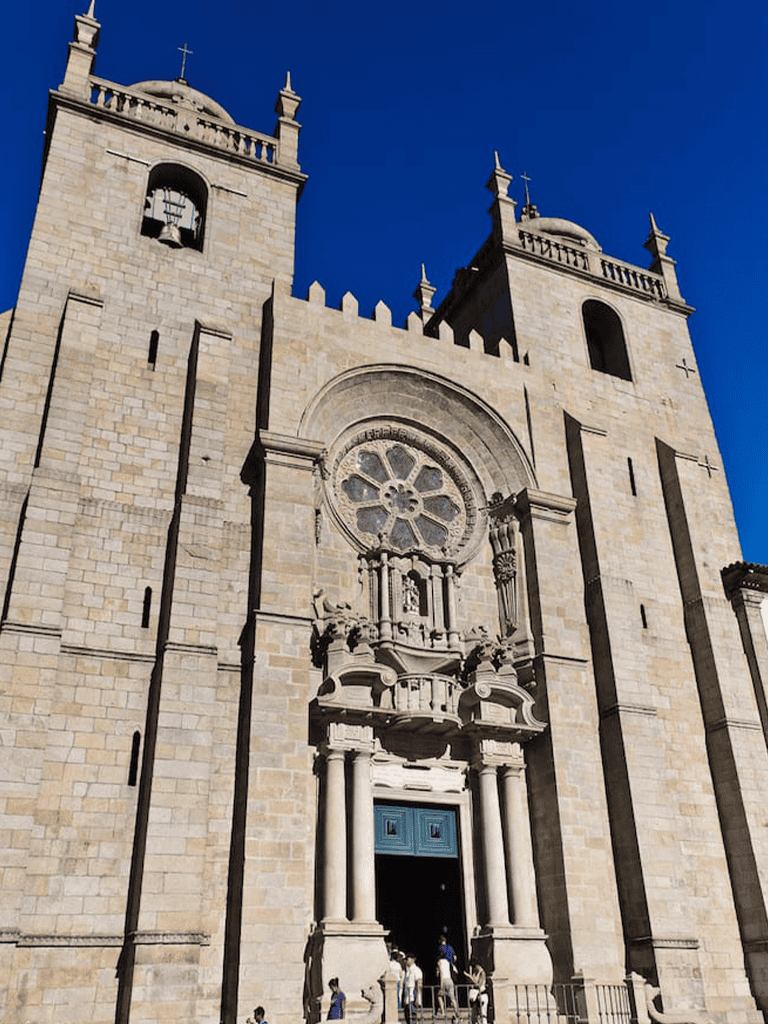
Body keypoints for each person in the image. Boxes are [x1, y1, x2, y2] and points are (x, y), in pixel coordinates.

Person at [436, 950, 458, 1022]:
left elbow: (441, 973)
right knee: (452, 997)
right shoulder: (447, 962)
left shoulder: (439, 962)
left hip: (444, 980)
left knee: (439, 996)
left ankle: (443, 1012)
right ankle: (456, 1012)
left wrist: (441, 984)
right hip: (450, 980)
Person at [402, 953, 423, 1024]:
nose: (406, 961)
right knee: (407, 1016)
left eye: (407, 959)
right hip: (407, 997)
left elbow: (419, 984)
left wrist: (417, 997)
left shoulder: (416, 970)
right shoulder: (408, 971)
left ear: (412, 959)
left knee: (413, 1016)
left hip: (413, 997)